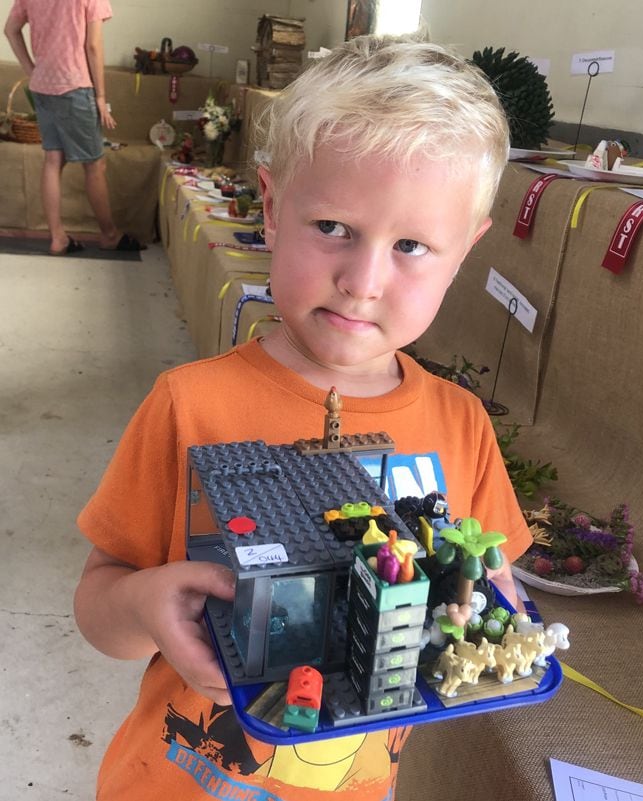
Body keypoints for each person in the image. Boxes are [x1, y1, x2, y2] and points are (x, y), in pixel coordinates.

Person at [73, 35, 531, 801]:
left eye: (412, 245)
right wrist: (144, 604)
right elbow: (98, 609)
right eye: (333, 228)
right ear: (273, 207)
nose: (361, 281)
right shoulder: (190, 404)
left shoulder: (461, 427)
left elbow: (493, 592)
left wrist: (478, 611)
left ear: (463, 253)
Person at [4, 0, 144, 255]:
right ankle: (109, 235)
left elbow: (10, 29)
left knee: (53, 159)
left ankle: (58, 237)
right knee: (94, 164)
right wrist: (101, 96)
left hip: (43, 87)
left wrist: (31, 70)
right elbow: (92, 46)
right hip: (75, 86)